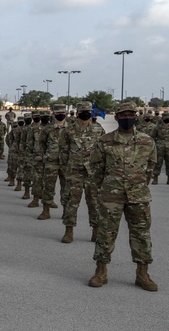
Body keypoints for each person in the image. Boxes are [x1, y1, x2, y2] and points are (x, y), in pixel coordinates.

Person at [88, 102, 158, 291]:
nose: (127, 118)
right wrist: (106, 187)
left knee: (141, 235)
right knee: (105, 233)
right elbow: (95, 168)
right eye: (123, 115)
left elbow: (150, 168)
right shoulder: (105, 141)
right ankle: (101, 271)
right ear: (117, 117)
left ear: (136, 117)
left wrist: (139, 184)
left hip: (139, 196)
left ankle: (142, 273)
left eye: (131, 115)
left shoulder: (147, 141)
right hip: (111, 196)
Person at [58, 102, 105, 243]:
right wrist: (68, 167)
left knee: (95, 203)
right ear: (77, 112)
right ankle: (69, 231)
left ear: (91, 112)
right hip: (75, 171)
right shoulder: (68, 130)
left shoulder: (98, 129)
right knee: (71, 201)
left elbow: (103, 151)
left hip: (93, 173)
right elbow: (63, 150)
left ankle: (96, 231)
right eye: (83, 110)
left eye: (88, 111)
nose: (86, 113)